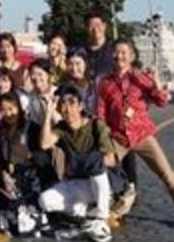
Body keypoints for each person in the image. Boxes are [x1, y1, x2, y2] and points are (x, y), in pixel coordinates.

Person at [97, 40, 174, 228]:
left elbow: (162, 102)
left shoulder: (141, 78)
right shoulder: (105, 84)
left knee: (166, 173)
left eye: (124, 52)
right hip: (118, 138)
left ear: (132, 56)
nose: (120, 56)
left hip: (142, 134)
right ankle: (110, 209)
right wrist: (104, 140)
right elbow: (101, 115)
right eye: (116, 52)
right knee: (100, 167)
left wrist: (156, 82)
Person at [40, 86, 117, 242]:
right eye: (63, 104)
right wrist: (48, 114)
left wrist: (88, 161)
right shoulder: (62, 128)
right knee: (45, 201)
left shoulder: (96, 126)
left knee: (96, 166)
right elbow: (44, 144)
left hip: (100, 183)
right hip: (77, 183)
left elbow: (111, 159)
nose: (67, 108)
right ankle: (82, 212)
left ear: (81, 106)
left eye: (72, 103)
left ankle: (101, 218)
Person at [0, 91, 46, 235]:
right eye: (4, 110)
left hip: (30, 179)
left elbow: (44, 158)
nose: (8, 114)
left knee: (25, 224)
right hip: (10, 183)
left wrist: (29, 155)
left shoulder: (31, 127)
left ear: (19, 108)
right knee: (11, 224)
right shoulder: (0, 132)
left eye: (11, 109)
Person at [78, 11, 116, 85]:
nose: (95, 29)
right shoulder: (81, 51)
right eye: (91, 25)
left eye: (98, 25)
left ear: (104, 26)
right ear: (86, 28)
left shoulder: (114, 49)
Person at [23, 59, 56, 127]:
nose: (36, 78)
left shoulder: (57, 93)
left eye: (40, 74)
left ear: (48, 75)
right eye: (33, 74)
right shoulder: (32, 96)